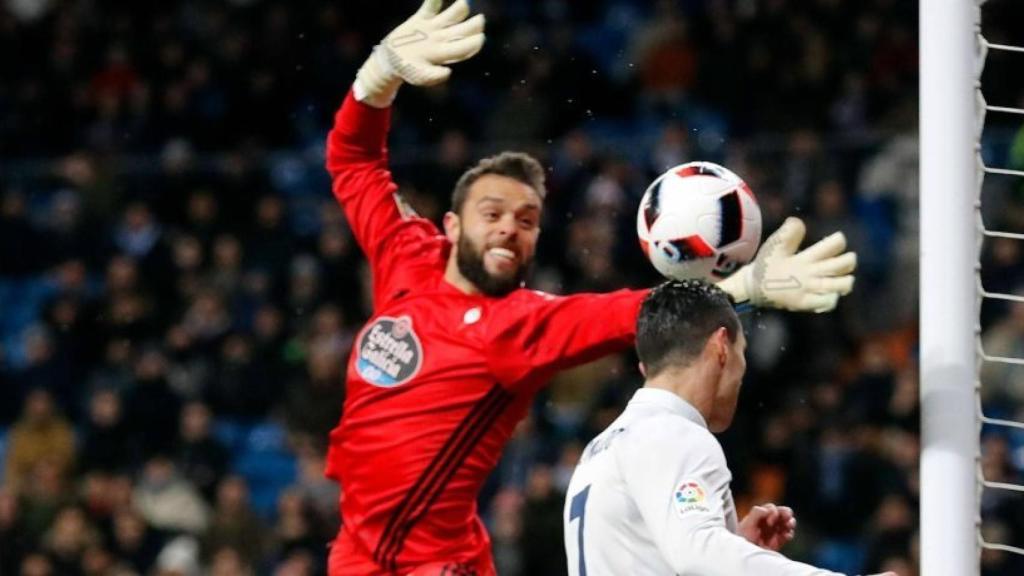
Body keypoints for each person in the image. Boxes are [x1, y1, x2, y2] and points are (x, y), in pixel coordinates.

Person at [326, 1, 857, 574]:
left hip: (430, 565)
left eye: (527, 220)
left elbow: (637, 314)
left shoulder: (520, 325)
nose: (509, 228)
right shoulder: (406, 255)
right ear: (451, 226)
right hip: (354, 552)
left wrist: (745, 285)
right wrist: (376, 78)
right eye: (493, 213)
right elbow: (354, 162)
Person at [562, 280, 893, 576]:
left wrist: (734, 546)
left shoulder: (601, 448)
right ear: (721, 346)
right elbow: (697, 552)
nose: (742, 369)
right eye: (741, 351)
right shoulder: (674, 433)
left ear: (645, 367)